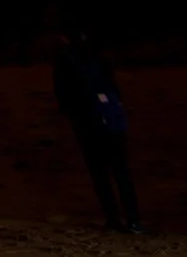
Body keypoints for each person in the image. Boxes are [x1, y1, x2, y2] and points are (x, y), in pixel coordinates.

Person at [51, 31, 142, 233]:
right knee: (120, 171)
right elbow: (113, 87)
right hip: (109, 117)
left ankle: (115, 218)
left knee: (101, 173)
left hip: (88, 121)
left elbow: (63, 94)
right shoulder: (97, 57)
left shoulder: (66, 60)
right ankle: (133, 219)